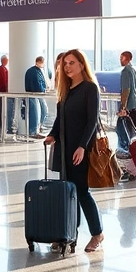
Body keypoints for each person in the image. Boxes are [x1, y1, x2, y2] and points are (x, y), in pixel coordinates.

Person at [44, 49, 104, 253]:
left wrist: (82, 147)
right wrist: (52, 135)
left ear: (81, 64)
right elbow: (59, 119)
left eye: (71, 63)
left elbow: (92, 121)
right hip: (64, 149)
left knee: (81, 192)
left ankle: (97, 233)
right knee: (68, 193)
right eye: (65, 64)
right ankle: (69, 234)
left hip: (80, 149)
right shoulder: (66, 89)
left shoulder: (90, 88)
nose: (67, 67)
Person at [115, 51, 136, 161]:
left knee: (123, 132)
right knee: (132, 134)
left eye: (122, 58)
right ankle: (135, 156)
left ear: (127, 59)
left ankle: (127, 155)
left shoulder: (126, 71)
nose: (120, 60)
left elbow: (126, 90)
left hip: (129, 106)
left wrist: (123, 107)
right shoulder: (135, 70)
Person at [25, 56, 49, 139]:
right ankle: (34, 131)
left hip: (35, 94)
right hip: (35, 94)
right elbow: (38, 83)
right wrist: (43, 90)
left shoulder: (33, 71)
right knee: (36, 112)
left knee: (41, 111)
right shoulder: (35, 72)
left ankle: (37, 128)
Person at [0, 55, 15, 135]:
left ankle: (4, 126)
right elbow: (3, 82)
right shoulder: (1, 70)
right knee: (3, 111)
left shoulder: (2, 69)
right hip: (2, 93)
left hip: (2, 93)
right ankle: (5, 127)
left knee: (3, 111)